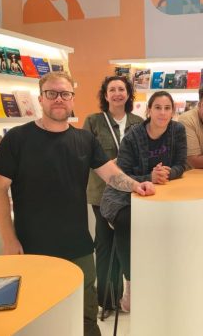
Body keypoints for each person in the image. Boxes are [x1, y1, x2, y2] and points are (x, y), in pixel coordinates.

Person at [0, 72, 155, 336]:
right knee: (39, 319)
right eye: (52, 93)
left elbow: (110, 173)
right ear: (41, 99)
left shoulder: (84, 139)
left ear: (72, 99)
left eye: (65, 94)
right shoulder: (17, 139)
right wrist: (9, 240)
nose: (59, 99)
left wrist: (136, 185)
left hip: (79, 247)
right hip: (32, 248)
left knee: (85, 318)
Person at [100, 91, 188, 312]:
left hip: (160, 194)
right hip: (124, 193)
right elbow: (121, 173)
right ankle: (132, 284)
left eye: (167, 108)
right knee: (127, 220)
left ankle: (164, 281)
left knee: (173, 221)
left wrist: (167, 173)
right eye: (157, 107)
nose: (162, 113)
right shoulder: (133, 136)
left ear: (173, 111)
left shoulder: (178, 130)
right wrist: (150, 176)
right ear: (149, 110)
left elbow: (181, 164)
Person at [82, 76, 143, 318]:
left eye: (122, 89)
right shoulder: (93, 121)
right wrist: (111, 165)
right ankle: (107, 301)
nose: (117, 93)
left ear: (128, 94)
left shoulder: (139, 122)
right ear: (105, 95)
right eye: (112, 89)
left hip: (131, 194)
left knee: (126, 242)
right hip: (102, 193)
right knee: (105, 244)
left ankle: (128, 296)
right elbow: (84, 155)